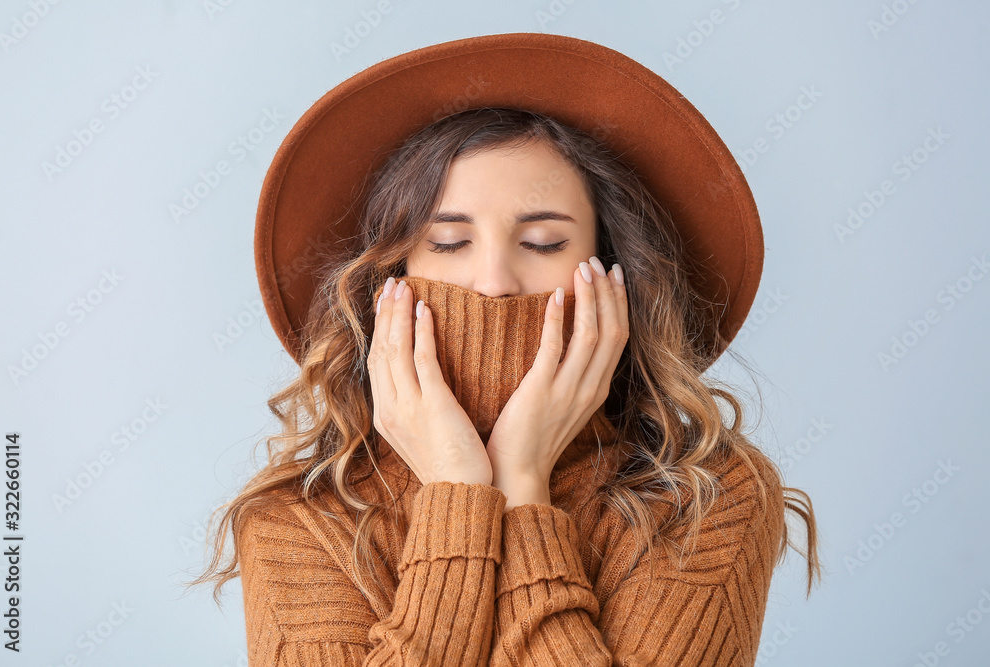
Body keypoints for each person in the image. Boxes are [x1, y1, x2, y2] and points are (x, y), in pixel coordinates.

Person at [188, 33, 822, 665]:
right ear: (391, 281)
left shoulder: (705, 497)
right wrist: (458, 494)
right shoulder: (298, 520)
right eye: (447, 243)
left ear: (609, 272)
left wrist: (522, 487)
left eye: (544, 242)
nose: (493, 283)